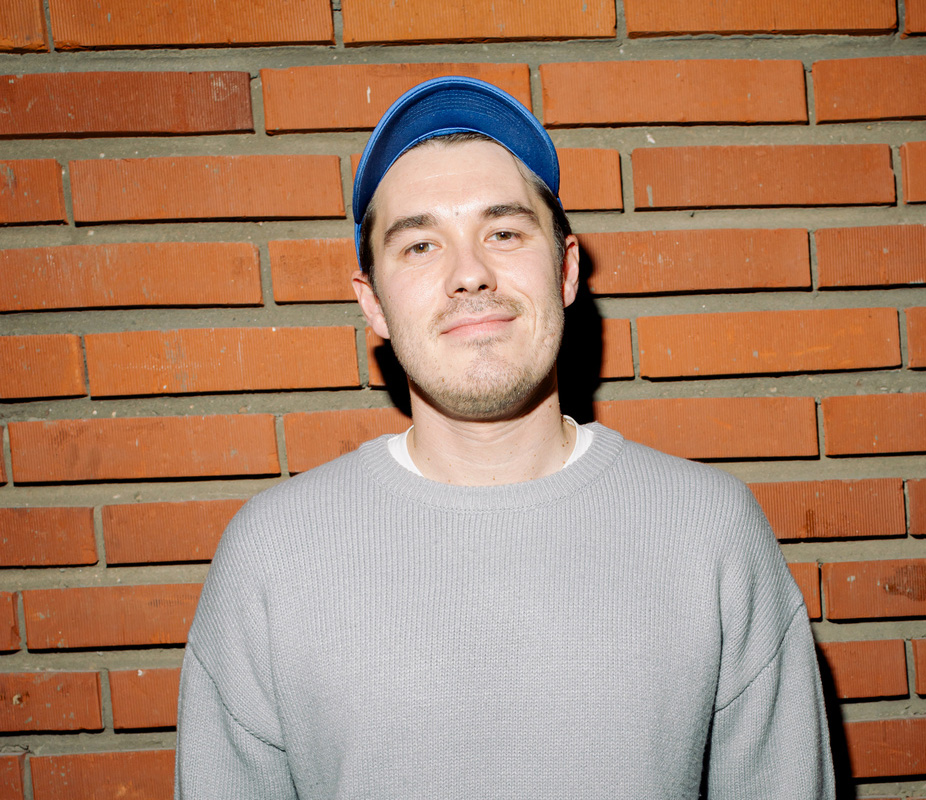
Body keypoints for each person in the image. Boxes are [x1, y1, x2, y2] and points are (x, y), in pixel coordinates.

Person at [175, 76, 833, 799]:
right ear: (374, 304)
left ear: (566, 269)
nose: (470, 274)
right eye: (420, 244)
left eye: (504, 233)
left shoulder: (710, 530)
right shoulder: (272, 556)